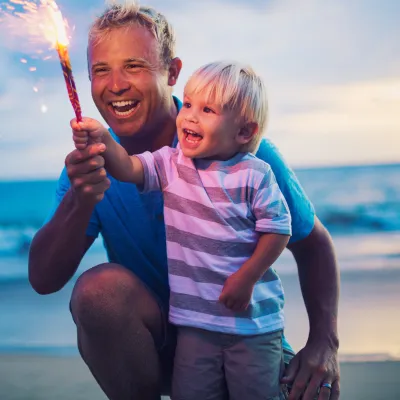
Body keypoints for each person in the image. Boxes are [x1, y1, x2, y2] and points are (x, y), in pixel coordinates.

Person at [28, 2, 340, 400]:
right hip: (158, 344)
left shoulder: (244, 155)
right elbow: (43, 278)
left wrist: (323, 345)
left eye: (134, 66)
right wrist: (81, 200)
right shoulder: (91, 168)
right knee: (98, 292)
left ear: (172, 72)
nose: (116, 84)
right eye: (101, 70)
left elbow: (313, 244)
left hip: (242, 337)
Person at [72, 60, 292, 400]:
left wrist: (247, 276)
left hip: (252, 327)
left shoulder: (255, 173)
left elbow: (278, 230)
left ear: (244, 132)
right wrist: (101, 137)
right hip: (194, 324)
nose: (189, 116)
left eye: (207, 110)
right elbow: (128, 167)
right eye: (187, 104)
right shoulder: (171, 163)